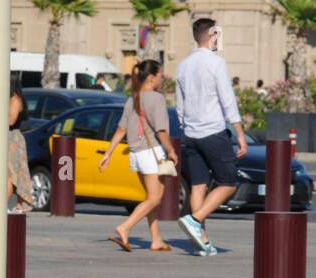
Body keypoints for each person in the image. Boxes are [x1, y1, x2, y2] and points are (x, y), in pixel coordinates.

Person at [175, 17, 247, 256]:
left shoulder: (183, 65)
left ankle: (202, 241)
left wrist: (186, 128)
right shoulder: (216, 63)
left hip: (191, 134)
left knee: (198, 185)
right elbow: (227, 101)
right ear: (213, 35)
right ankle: (195, 220)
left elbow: (180, 106)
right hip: (213, 131)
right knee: (228, 182)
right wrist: (240, 134)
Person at [99, 60, 175, 252]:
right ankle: (125, 227)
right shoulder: (156, 98)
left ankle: (156, 239)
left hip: (136, 154)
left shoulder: (131, 99)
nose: (162, 78)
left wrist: (108, 153)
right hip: (151, 153)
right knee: (155, 199)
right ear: (151, 77)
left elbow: (120, 130)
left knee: (151, 198)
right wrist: (171, 150)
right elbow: (161, 130)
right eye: (160, 75)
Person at [7, 90, 34, 213]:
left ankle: (19, 204)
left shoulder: (15, 99)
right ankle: (19, 204)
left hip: (12, 139)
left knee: (12, 174)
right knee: (11, 175)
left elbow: (11, 121)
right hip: (5, 138)